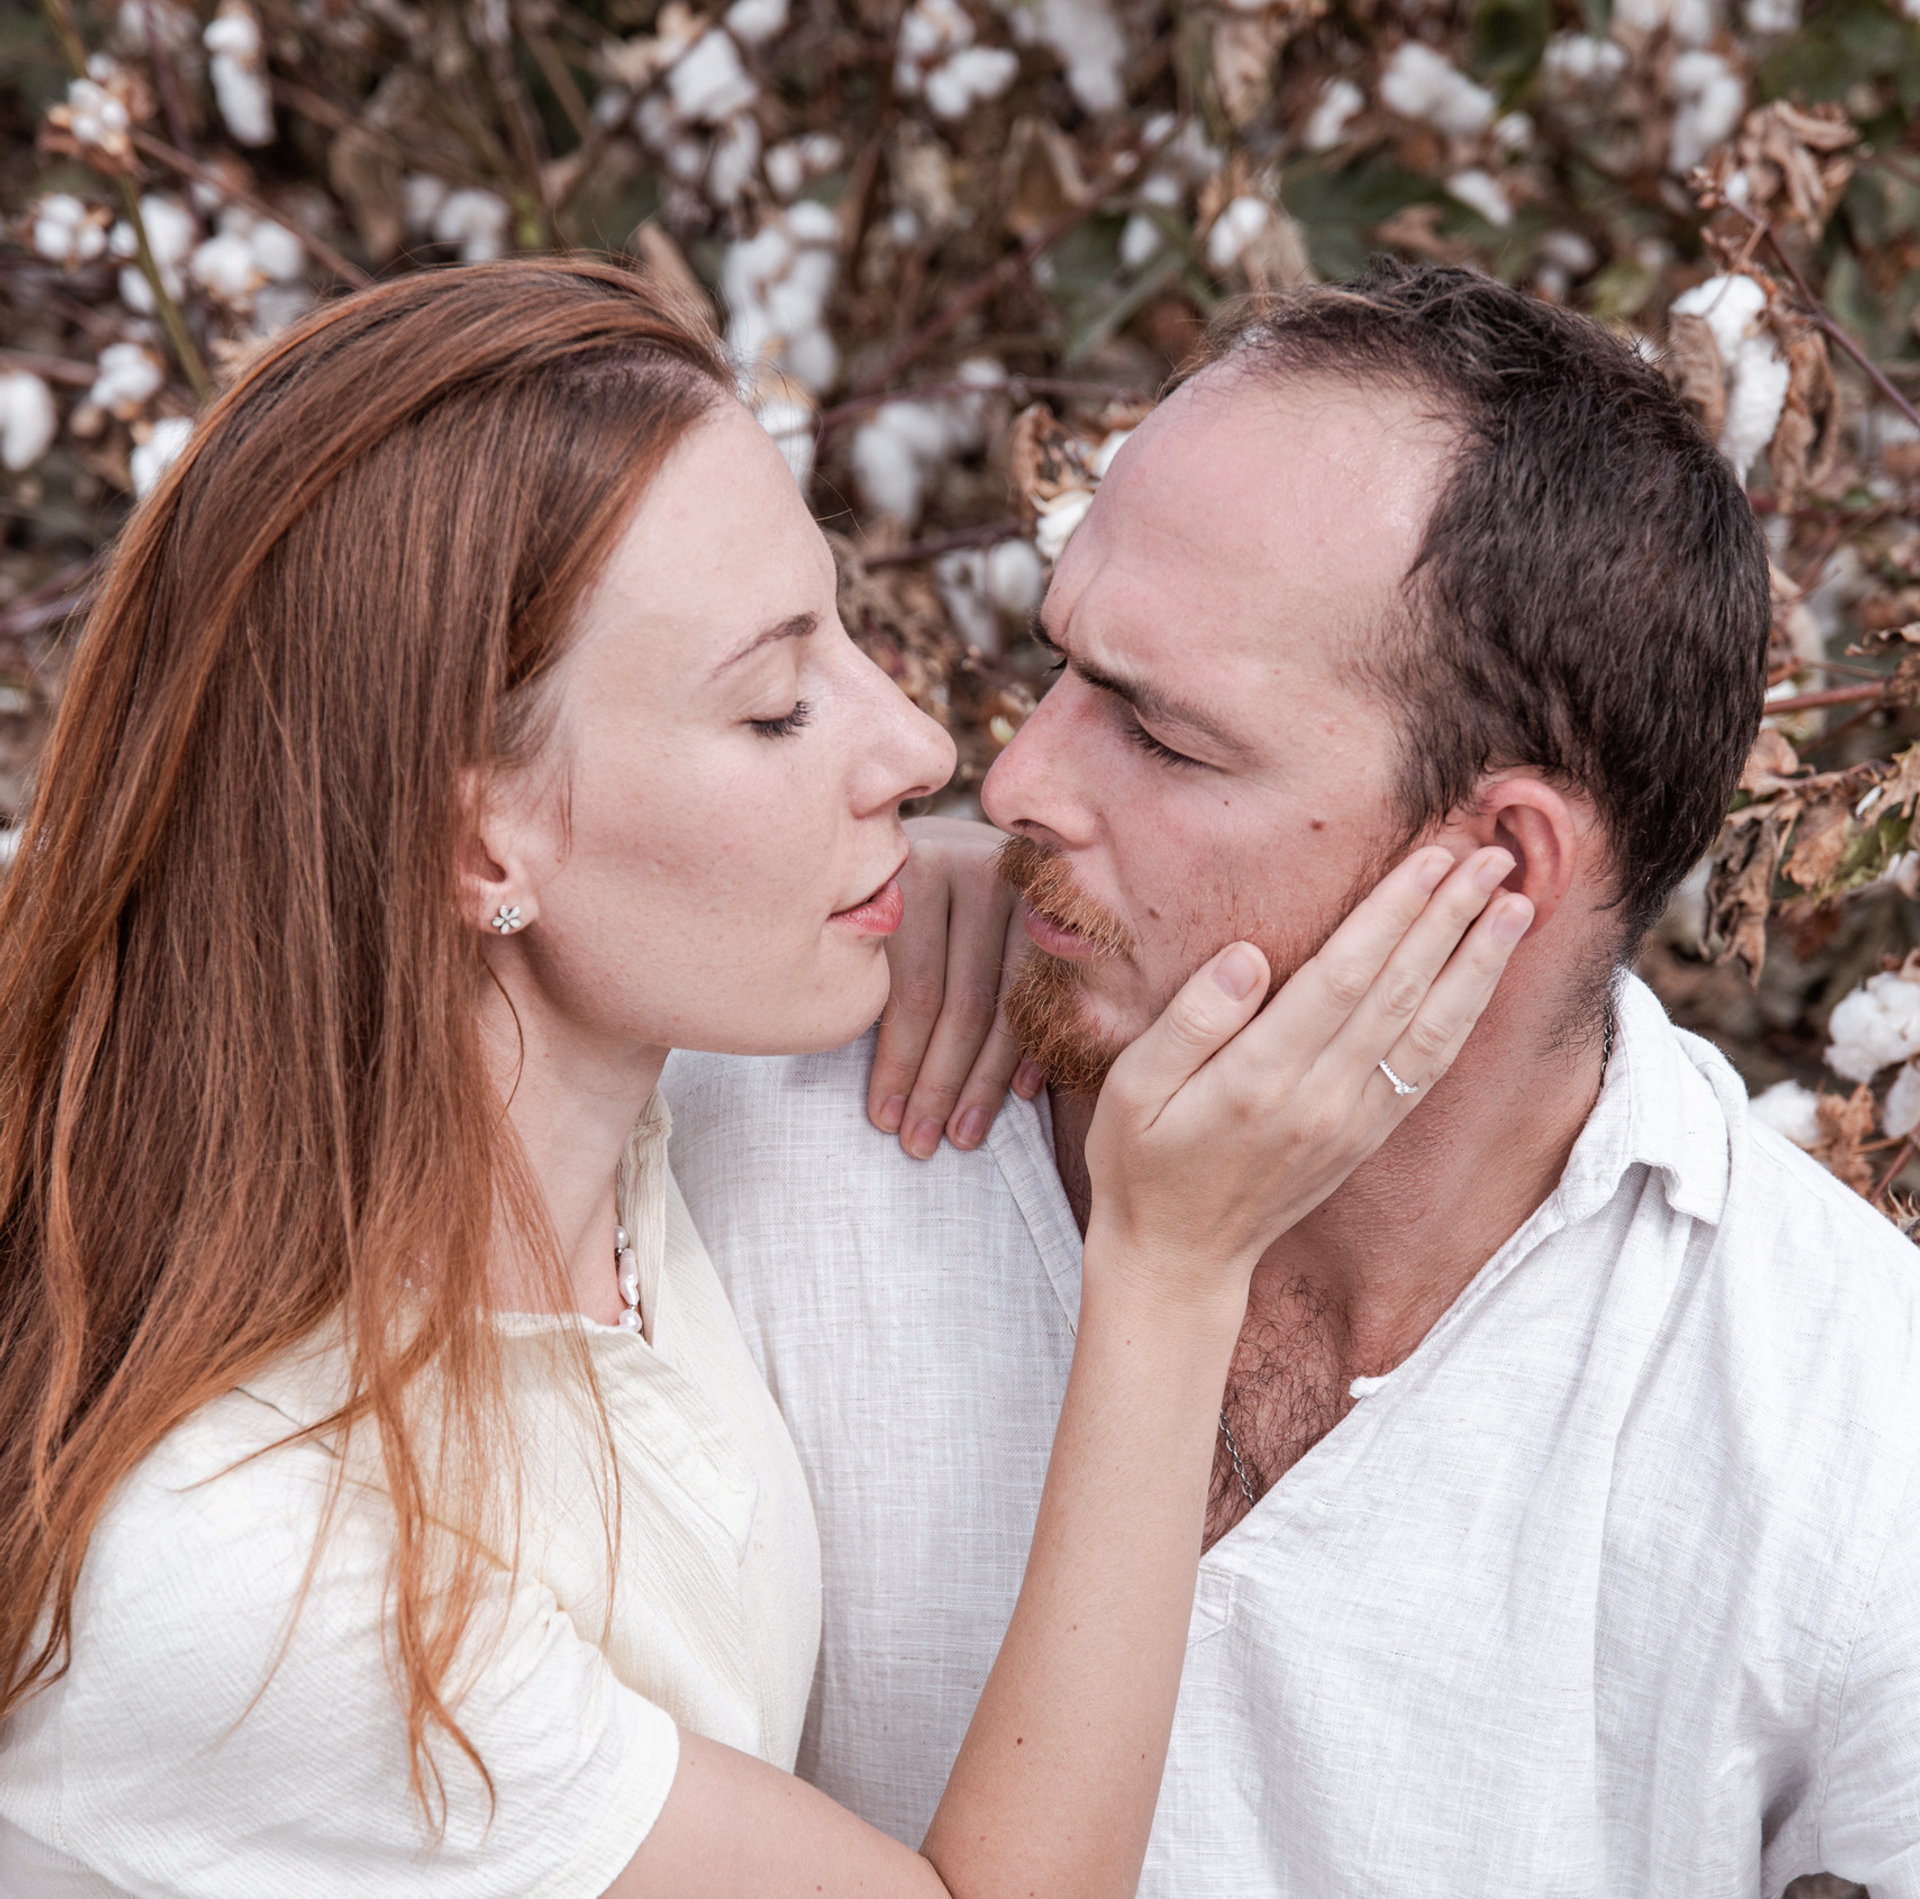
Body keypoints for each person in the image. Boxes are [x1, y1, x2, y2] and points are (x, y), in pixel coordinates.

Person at [0, 257, 1530, 1898]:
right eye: (780, 707)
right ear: (479, 842)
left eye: (847, 637)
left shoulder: (593, 1146)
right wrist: (1172, 1268)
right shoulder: (255, 1576)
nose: (926, 750)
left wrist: (1009, 895)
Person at [662, 263, 1920, 1896]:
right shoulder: (741, 1135)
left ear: (1499, 866)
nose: (1016, 777)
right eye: (1064, 667)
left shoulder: (1832, 1409)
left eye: (1163, 737)